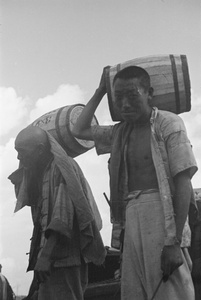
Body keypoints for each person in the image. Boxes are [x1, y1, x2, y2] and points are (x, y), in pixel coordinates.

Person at [72, 65, 198, 300]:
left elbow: (183, 182)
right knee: (134, 291)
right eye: (118, 97)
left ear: (149, 93)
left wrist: (174, 242)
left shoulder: (168, 123)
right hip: (130, 217)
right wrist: (101, 91)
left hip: (162, 215)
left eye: (133, 95)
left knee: (170, 290)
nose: (125, 104)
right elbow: (79, 129)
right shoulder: (120, 132)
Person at [8, 126, 106, 300]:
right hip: (49, 262)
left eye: (22, 151)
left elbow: (62, 218)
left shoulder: (61, 167)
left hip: (64, 260)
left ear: (39, 150)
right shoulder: (41, 173)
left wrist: (45, 257)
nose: (18, 157)